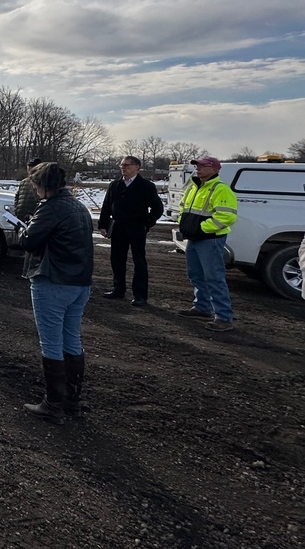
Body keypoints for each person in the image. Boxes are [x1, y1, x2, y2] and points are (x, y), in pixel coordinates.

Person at [15, 162, 93, 425]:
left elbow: (28, 241)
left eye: (36, 186)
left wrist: (22, 228)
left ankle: (53, 404)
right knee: (71, 339)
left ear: (44, 186)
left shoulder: (51, 208)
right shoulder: (78, 206)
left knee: (51, 343)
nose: (35, 190)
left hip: (53, 281)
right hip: (79, 282)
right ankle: (72, 401)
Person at [176, 156, 238, 331]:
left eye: (203, 166)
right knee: (196, 274)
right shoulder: (193, 187)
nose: (198, 168)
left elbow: (227, 216)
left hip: (209, 239)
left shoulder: (220, 189)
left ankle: (224, 317)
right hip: (195, 238)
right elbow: (183, 208)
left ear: (215, 169)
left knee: (214, 278)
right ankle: (202, 307)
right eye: (197, 166)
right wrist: (184, 225)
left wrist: (201, 229)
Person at [99, 156, 164, 306]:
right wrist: (103, 225)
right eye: (122, 165)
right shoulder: (115, 185)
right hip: (118, 228)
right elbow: (107, 206)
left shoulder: (146, 186)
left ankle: (140, 295)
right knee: (117, 259)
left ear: (137, 167)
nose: (123, 168)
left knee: (139, 261)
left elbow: (157, 208)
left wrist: (146, 224)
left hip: (136, 228)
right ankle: (118, 289)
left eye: (127, 165)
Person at [13, 158, 42, 222]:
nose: (30, 168)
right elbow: (17, 197)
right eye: (29, 166)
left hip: (33, 218)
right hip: (20, 217)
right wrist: (16, 209)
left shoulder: (41, 182)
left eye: (33, 166)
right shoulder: (23, 182)